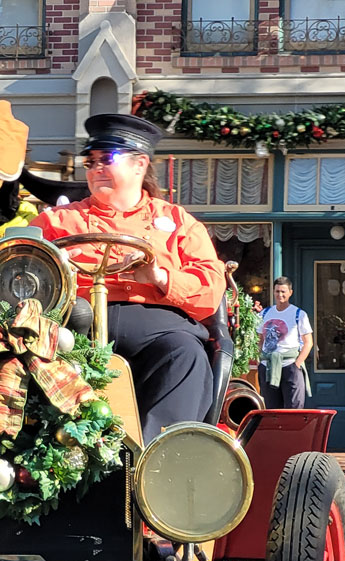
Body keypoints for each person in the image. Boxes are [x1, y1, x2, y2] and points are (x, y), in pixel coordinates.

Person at [29, 114, 227, 443]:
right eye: (90, 162)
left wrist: (159, 276)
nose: (95, 169)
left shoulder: (178, 222)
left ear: (139, 165)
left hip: (160, 331)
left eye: (107, 159)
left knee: (186, 354)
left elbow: (209, 289)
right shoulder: (56, 221)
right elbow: (14, 266)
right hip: (75, 328)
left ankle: (149, 462)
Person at [257, 276, 313, 408]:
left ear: (290, 293)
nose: (280, 295)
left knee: (293, 408)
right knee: (271, 410)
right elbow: (259, 340)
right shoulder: (264, 313)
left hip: (289, 365)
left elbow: (308, 342)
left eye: (283, 291)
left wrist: (297, 364)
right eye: (277, 291)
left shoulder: (299, 314)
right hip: (268, 366)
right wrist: (260, 358)